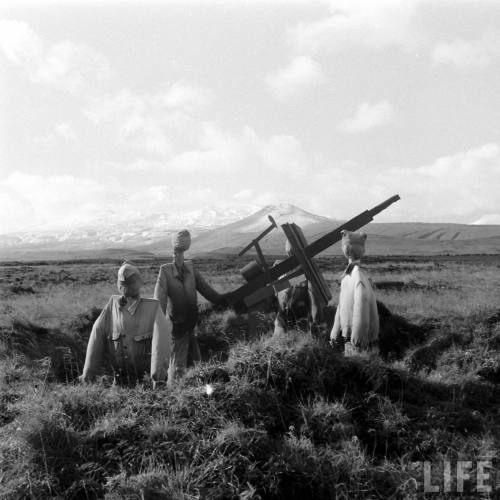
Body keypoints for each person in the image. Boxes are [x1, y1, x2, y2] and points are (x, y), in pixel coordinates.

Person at [80, 262, 172, 387]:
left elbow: (160, 345)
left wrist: (158, 379)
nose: (125, 287)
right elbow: (95, 341)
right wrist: (88, 375)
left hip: (145, 387)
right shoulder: (110, 309)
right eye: (123, 284)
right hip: (118, 386)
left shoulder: (153, 309)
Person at [154, 229, 225, 380]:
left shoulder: (190, 268)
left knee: (196, 361)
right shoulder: (165, 271)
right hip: (177, 326)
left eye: (180, 251)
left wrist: (223, 300)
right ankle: (174, 393)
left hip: (191, 323)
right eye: (176, 251)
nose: (178, 255)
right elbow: (159, 302)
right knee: (178, 364)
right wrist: (159, 328)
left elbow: (206, 290)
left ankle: (198, 389)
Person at [330, 230, 379, 356]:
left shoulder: (357, 274)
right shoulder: (349, 274)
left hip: (359, 340)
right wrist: (335, 332)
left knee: (360, 367)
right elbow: (342, 304)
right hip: (350, 335)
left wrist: (359, 335)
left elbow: (361, 304)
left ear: (348, 250)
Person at [273, 239, 323, 337]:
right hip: (284, 319)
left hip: (299, 322)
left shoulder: (305, 273)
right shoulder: (283, 269)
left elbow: (314, 304)